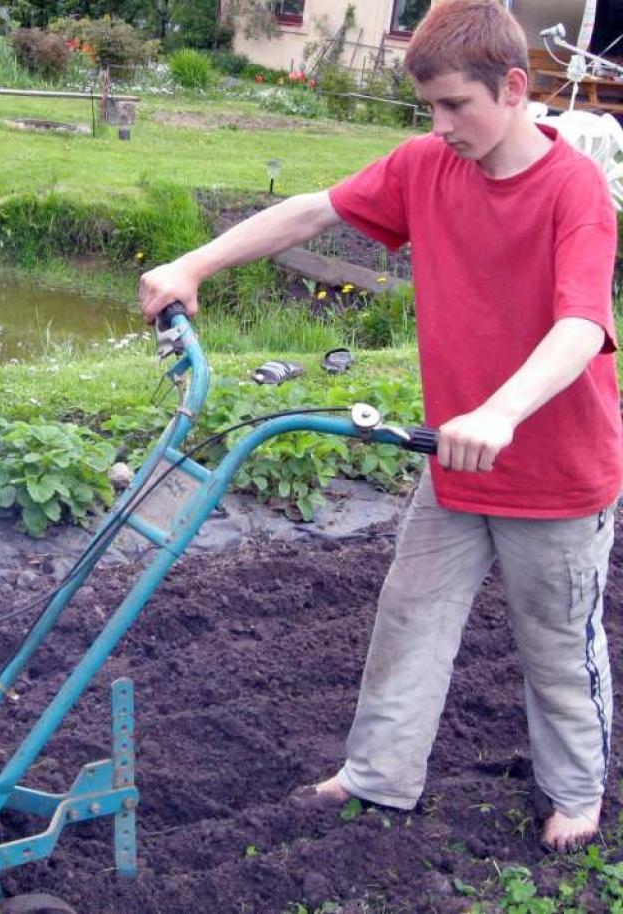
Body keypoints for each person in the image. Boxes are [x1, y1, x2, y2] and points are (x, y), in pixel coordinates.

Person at [139, 0, 621, 853]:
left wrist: (502, 412)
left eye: (455, 106)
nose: (440, 127)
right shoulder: (427, 167)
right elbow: (312, 212)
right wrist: (192, 263)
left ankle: (576, 794)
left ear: (514, 88)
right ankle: (379, 776)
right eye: (428, 109)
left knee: (556, 647)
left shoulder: (573, 191)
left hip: (556, 474)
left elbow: (582, 324)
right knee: (411, 615)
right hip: (456, 461)